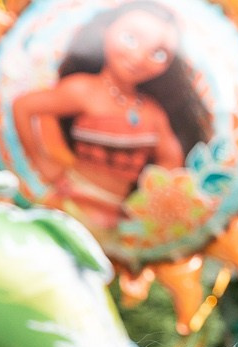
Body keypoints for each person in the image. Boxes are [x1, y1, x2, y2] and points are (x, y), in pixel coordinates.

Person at [12, 0, 210, 232]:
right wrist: (43, 163)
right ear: (105, 31)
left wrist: (149, 196)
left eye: (158, 53)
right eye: (130, 38)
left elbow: (171, 159)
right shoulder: (84, 90)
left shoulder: (151, 111)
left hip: (117, 213)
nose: (139, 57)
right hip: (72, 201)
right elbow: (23, 107)